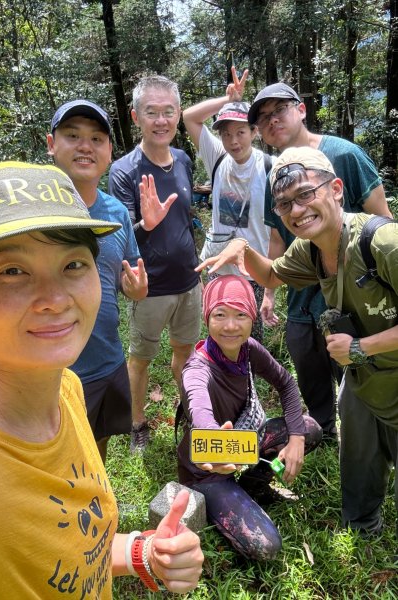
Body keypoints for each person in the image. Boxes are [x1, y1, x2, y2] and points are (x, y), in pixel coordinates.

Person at [0, 162, 203, 598]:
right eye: (12, 270)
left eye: (73, 264)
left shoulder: (66, 388)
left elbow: (73, 550)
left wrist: (142, 551)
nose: (55, 298)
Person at [198, 146, 398, 539]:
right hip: (363, 380)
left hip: (379, 365)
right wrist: (244, 249)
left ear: (336, 189)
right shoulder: (311, 250)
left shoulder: (383, 242)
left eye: (306, 194)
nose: (296, 209)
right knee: (357, 464)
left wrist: (360, 348)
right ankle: (361, 526)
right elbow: (272, 275)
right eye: (285, 203)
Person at [249, 82, 392, 440]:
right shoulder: (276, 174)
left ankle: (368, 435)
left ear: (300, 109)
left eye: (278, 110)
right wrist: (268, 294)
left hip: (358, 295)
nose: (272, 121)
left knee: (356, 368)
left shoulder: (343, 154)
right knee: (308, 362)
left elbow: (382, 218)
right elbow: (278, 236)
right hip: (303, 293)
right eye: (263, 119)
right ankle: (325, 433)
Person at [176, 275, 321, 560]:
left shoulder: (248, 350)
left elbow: (286, 383)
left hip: (242, 445)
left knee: (307, 429)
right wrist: (214, 440)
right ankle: (224, 496)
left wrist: (295, 439)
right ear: (207, 318)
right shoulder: (197, 368)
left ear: (252, 317)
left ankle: (253, 485)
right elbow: (199, 407)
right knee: (266, 546)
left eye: (240, 314)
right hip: (208, 470)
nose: (230, 326)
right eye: (220, 315)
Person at [47, 99, 148, 463]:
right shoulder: (37, 215)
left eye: (96, 138)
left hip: (108, 358)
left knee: (98, 444)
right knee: (58, 461)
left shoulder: (116, 212)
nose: (85, 145)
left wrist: (135, 288)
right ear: (51, 144)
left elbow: (128, 272)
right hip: (55, 372)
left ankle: (96, 504)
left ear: (108, 152)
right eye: (72, 136)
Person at [109, 75, 202, 453]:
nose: (161, 120)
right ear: (136, 117)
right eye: (152, 112)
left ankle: (191, 412)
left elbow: (187, 215)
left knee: (186, 352)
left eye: (168, 111)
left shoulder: (182, 159)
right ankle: (137, 425)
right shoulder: (124, 171)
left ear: (178, 114)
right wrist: (144, 224)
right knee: (141, 359)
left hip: (190, 279)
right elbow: (120, 233)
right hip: (149, 286)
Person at [183, 66, 276, 342]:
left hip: (253, 270)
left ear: (254, 132)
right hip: (217, 264)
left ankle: (249, 386)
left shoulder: (271, 167)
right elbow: (189, 117)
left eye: (240, 132)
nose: (233, 141)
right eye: (226, 134)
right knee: (219, 336)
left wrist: (270, 289)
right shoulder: (218, 158)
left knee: (250, 341)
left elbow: (277, 232)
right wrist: (228, 100)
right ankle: (220, 384)